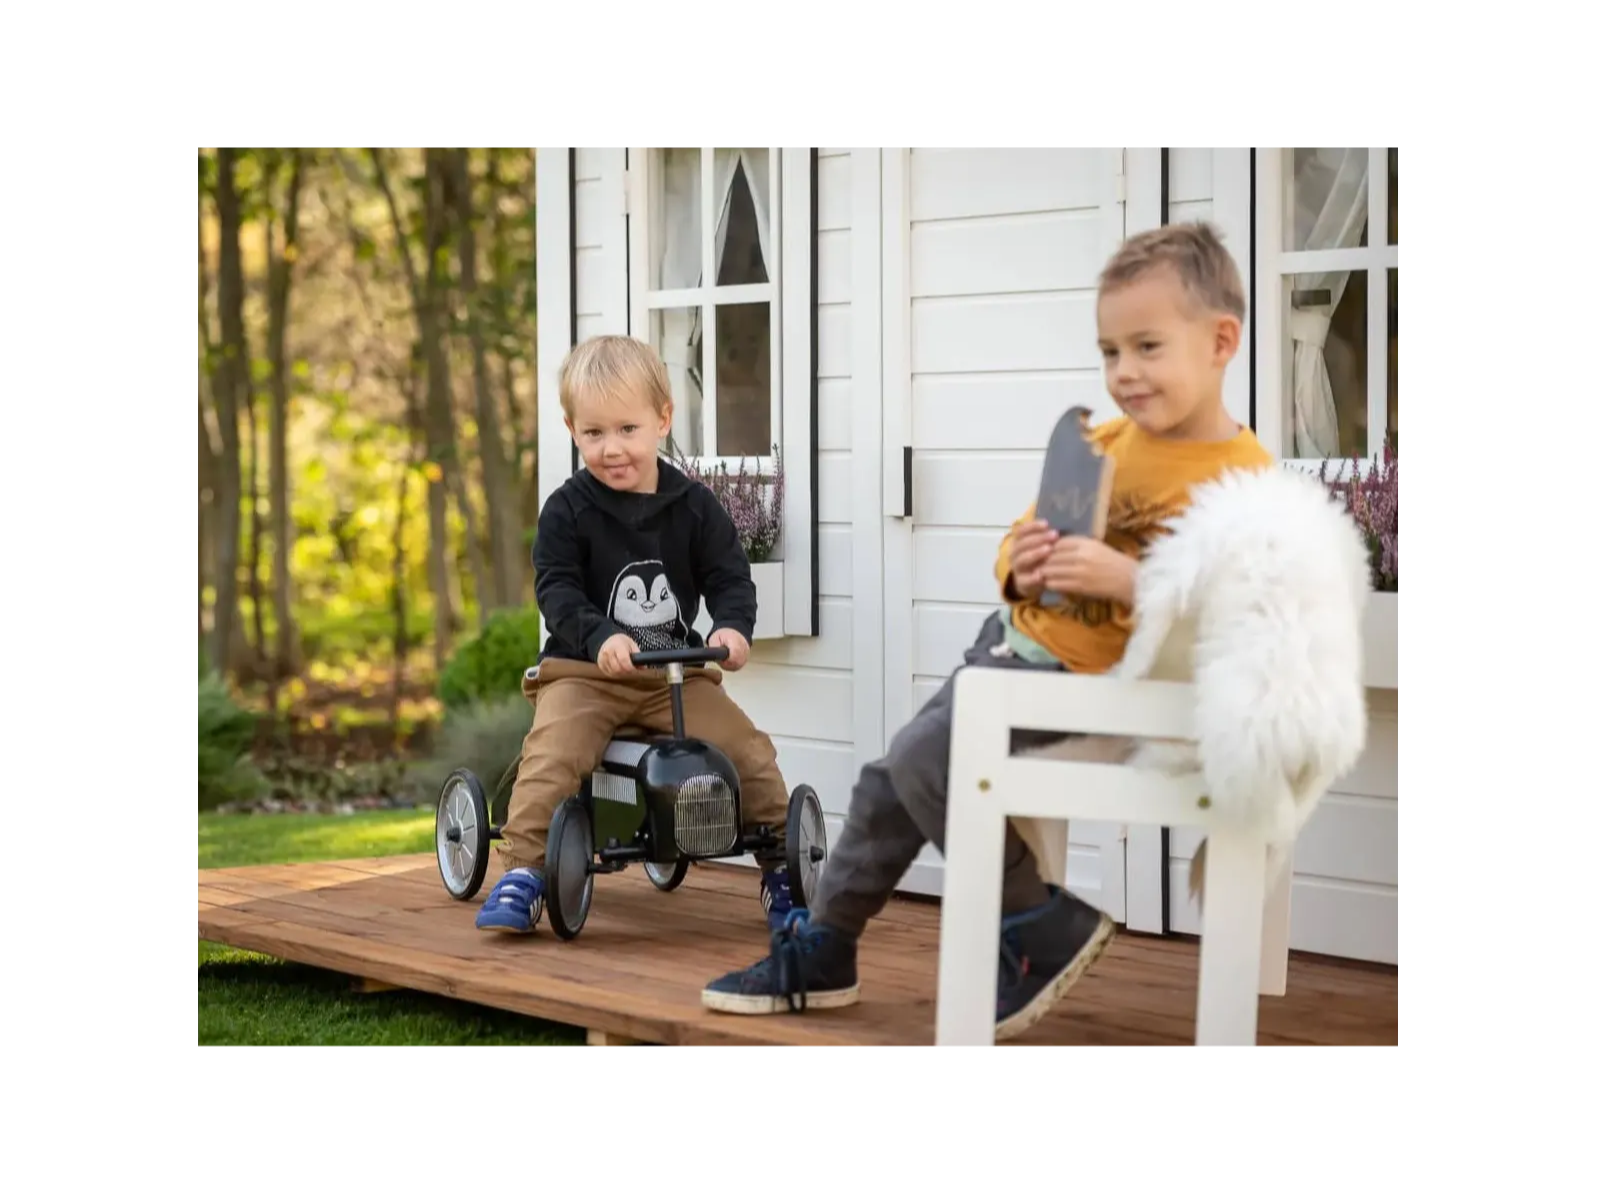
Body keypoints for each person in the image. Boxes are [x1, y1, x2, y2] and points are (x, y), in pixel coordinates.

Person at [700, 221, 1276, 1039]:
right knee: (886, 782)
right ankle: (830, 946)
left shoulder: (1242, 477)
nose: (1124, 372)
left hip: (1096, 685)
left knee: (914, 766)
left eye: (1146, 346)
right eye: (1110, 351)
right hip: (1010, 648)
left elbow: (1242, 607)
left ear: (1221, 340)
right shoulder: (1102, 441)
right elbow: (1019, 534)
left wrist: (1132, 581)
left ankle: (1037, 922)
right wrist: (1024, 562)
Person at [475, 335, 798, 936]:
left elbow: (729, 575)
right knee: (553, 756)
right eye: (593, 433)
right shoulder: (567, 511)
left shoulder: (695, 507)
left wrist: (732, 626)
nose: (612, 448)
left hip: (673, 674)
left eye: (627, 428)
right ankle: (522, 872)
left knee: (746, 749)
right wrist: (599, 636)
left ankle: (782, 861)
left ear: (663, 419)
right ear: (572, 430)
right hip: (586, 674)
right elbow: (558, 591)